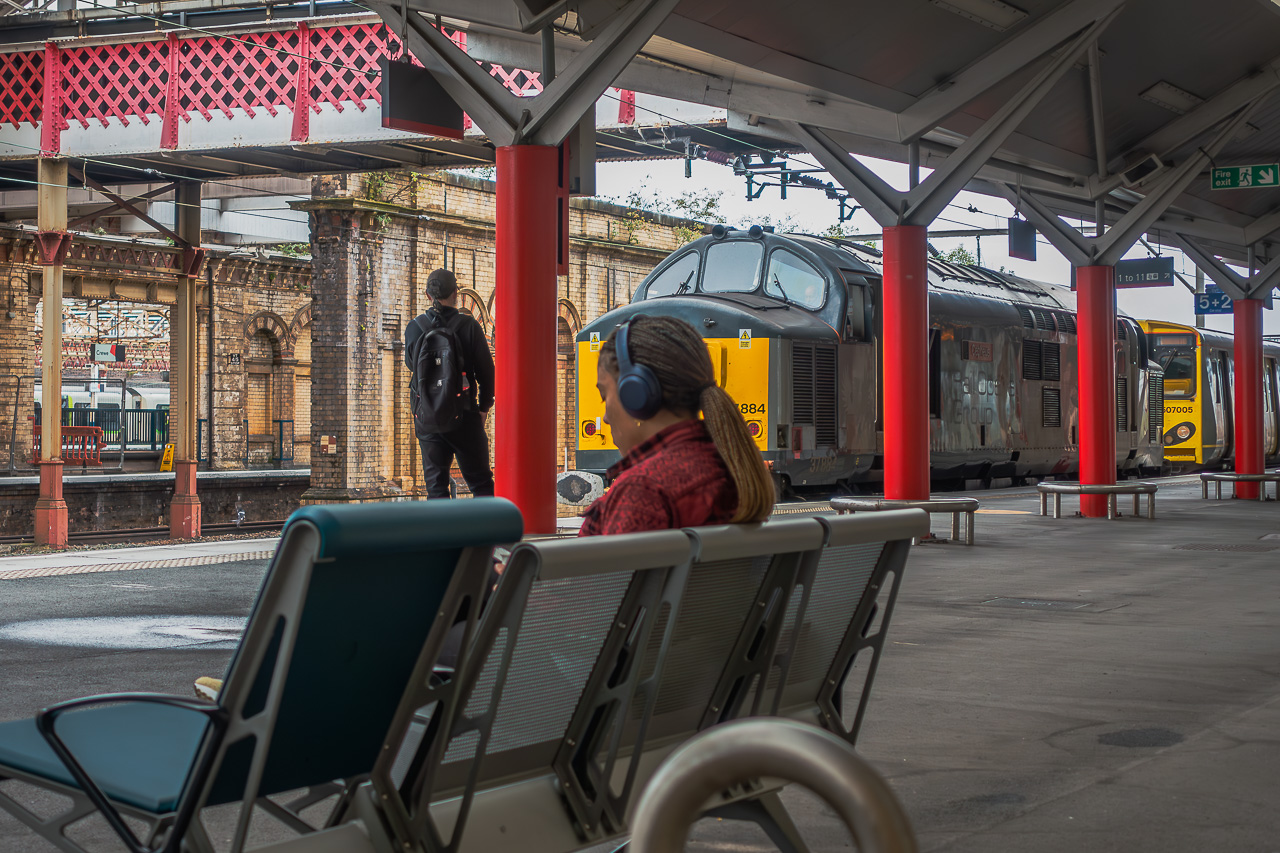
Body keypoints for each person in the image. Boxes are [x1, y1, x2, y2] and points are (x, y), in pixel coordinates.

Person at [579, 314, 775, 535]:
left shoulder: (643, 492)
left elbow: (613, 570)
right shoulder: (733, 470)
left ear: (636, 395)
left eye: (605, 396)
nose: (605, 417)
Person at [405, 268, 495, 498]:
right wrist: (483, 409)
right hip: (464, 417)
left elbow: (413, 368)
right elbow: (487, 373)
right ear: (456, 293)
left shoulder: (415, 328)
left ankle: (442, 534)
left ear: (428, 295)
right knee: (481, 484)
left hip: (427, 420)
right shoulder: (470, 327)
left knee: (436, 487)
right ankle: (485, 533)